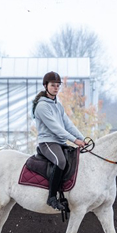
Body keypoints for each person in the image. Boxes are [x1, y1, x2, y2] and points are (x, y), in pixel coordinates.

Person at [32, 71, 85, 210]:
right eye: (53, 85)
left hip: (60, 143)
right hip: (48, 143)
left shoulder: (58, 105)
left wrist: (82, 139)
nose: (56, 88)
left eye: (57, 85)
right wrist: (75, 140)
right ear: (45, 86)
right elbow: (56, 128)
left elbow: (68, 125)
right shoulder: (42, 106)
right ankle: (51, 197)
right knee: (60, 161)